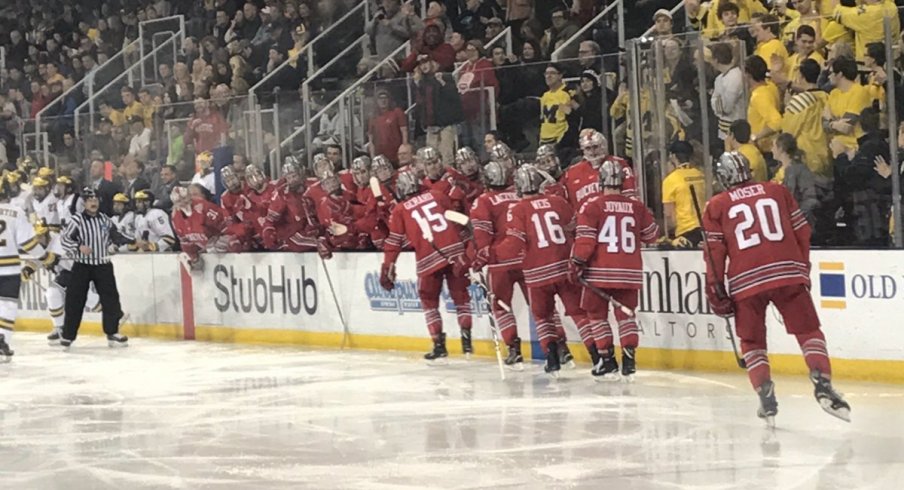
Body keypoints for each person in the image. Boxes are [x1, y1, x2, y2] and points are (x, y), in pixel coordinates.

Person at [702, 151, 851, 423]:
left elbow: (714, 256)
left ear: (724, 178)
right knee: (808, 331)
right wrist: (802, 267)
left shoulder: (716, 205)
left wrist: (716, 292)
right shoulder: (777, 191)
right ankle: (823, 383)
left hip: (745, 280)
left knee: (752, 341)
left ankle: (764, 392)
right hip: (787, 271)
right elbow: (802, 232)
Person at [571, 160, 659, 380]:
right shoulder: (637, 206)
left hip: (599, 272)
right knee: (626, 317)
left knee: (596, 316)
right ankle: (629, 360)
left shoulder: (591, 206)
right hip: (629, 272)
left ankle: (607, 360)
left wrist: (576, 262)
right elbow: (652, 235)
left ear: (601, 181)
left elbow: (585, 242)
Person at [495, 165, 584, 376]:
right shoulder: (558, 202)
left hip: (537, 271)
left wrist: (492, 255)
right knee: (581, 315)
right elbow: (575, 226)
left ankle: (551, 358)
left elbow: (514, 243)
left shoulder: (517, 208)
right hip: (564, 267)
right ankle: (599, 357)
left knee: (542, 316)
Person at [380, 171, 472, 361]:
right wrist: (467, 248)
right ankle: (466, 339)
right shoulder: (438, 195)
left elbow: (394, 242)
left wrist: (388, 266)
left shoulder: (400, 209)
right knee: (461, 297)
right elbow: (457, 220)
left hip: (428, 257)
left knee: (429, 301)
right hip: (454, 252)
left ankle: (439, 344)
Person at [59, 188, 134, 350]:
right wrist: (78, 247)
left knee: (111, 299)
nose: (93, 202)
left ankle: (112, 332)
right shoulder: (77, 220)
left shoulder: (105, 220)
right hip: (82, 265)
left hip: (102, 264)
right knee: (74, 301)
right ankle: (68, 335)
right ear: (84, 203)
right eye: (89, 200)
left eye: (95, 200)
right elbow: (64, 239)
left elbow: (116, 235)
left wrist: (134, 241)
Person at [469, 160, 525, 369]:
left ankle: (514, 348)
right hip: (527, 259)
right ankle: (560, 349)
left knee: (501, 306)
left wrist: (479, 261)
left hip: (501, 261)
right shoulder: (519, 194)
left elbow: (483, 240)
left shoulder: (483, 201)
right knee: (542, 308)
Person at [0, 180, 58, 361]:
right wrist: (45, 257)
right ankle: (3, 341)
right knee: (7, 307)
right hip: (9, 269)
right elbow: (29, 243)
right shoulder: (15, 212)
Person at [562, 130, 636, 212]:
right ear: (583, 150)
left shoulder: (618, 164)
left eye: (595, 147)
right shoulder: (572, 172)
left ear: (603, 146)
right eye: (588, 148)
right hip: (585, 221)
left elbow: (631, 198)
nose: (592, 152)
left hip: (613, 216)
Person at [662, 141, 706, 247]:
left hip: (685, 233)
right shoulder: (700, 174)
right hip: (705, 230)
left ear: (672, 156)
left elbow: (669, 216)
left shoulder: (670, 180)